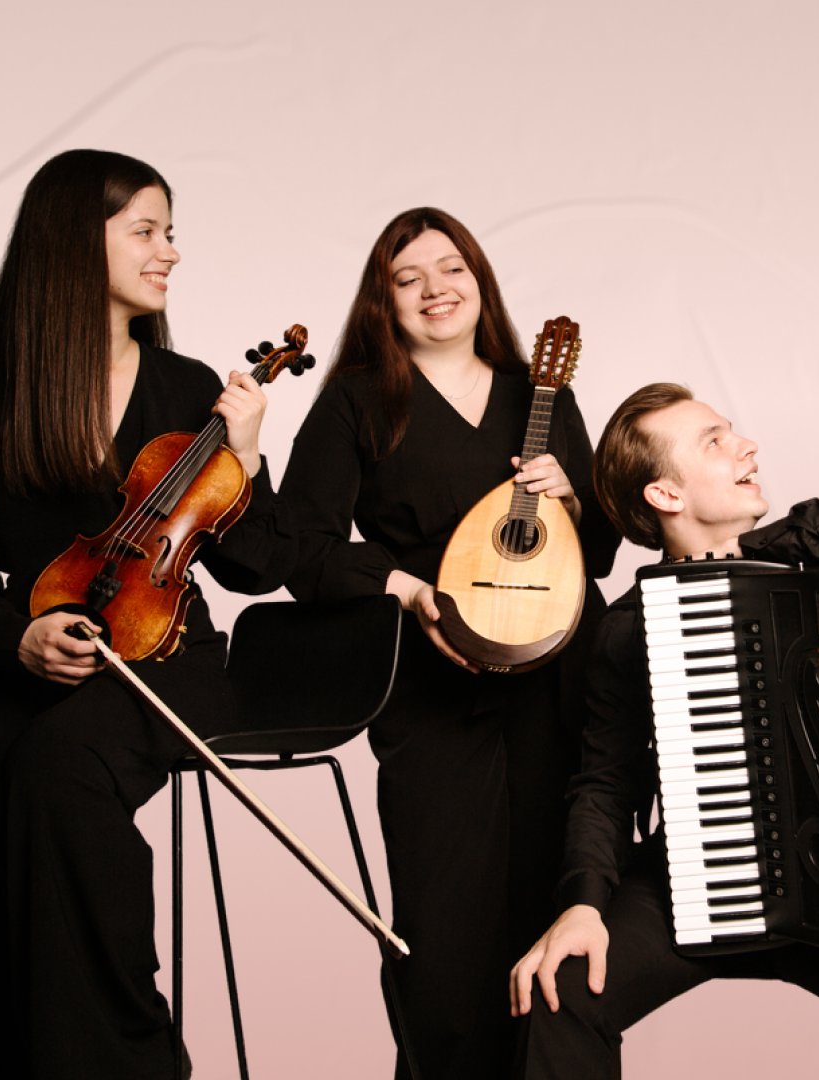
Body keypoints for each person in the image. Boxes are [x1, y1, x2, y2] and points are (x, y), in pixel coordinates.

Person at [511, 382, 819, 1079]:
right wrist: (582, 906)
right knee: (562, 991)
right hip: (692, 888)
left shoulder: (806, 569)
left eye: (733, 432)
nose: (746, 446)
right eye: (714, 442)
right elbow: (604, 784)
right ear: (665, 495)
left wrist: (735, 554)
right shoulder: (627, 628)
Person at [0, 149, 294, 1078]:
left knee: (58, 765)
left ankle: (129, 1055)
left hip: (171, 661)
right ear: (72, 243)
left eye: (171, 232)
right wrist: (21, 640)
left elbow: (256, 565)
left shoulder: (189, 389)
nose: (171, 252)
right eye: (147, 231)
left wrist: (245, 455)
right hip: (35, 662)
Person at [280, 207, 620, 1079]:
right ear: (383, 302)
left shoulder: (540, 395)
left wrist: (573, 501)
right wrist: (403, 587)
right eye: (409, 277)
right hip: (433, 697)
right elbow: (302, 548)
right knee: (444, 936)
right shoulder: (359, 401)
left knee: (557, 919)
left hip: (557, 690)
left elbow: (601, 553)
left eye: (452, 268)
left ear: (480, 281)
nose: (436, 289)